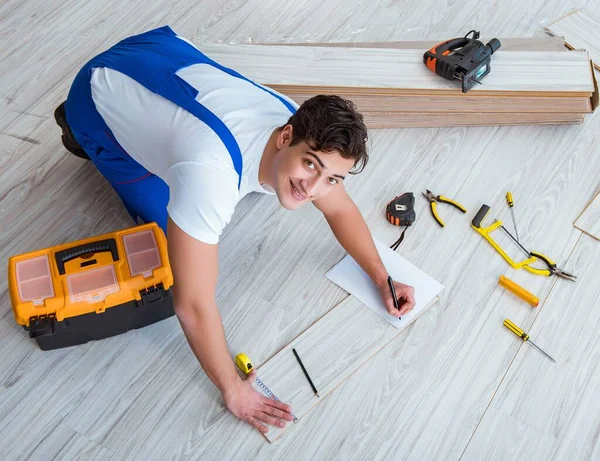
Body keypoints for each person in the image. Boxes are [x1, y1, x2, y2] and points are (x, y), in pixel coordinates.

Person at [55, 25, 416, 434]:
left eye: (332, 177)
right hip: (100, 86)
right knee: (164, 234)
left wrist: (380, 275)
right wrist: (233, 388)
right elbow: (191, 304)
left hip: (163, 52)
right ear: (285, 137)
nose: (315, 188)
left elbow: (340, 211)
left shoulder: (298, 125)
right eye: (310, 165)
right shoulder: (209, 178)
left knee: (264, 192)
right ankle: (76, 125)